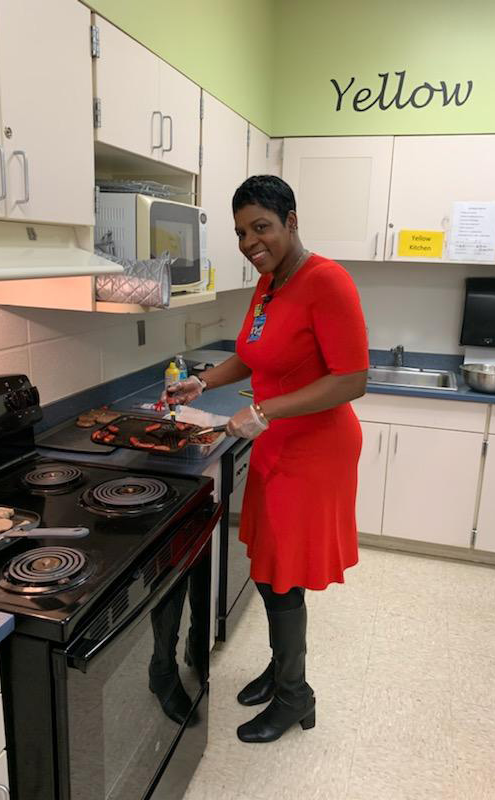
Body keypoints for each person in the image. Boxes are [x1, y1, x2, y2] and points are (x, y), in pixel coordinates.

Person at [163, 175, 368, 744]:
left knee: (283, 576)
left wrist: (266, 412)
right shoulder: (271, 282)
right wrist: (202, 383)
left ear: (291, 222)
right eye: (241, 232)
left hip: (316, 448)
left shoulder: (327, 282)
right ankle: (282, 672)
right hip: (277, 439)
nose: (251, 241)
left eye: (262, 227)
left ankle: (295, 697)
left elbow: (352, 380)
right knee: (271, 566)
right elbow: (253, 356)